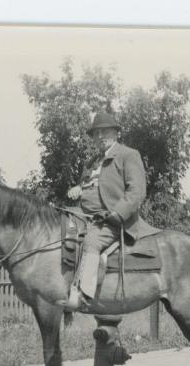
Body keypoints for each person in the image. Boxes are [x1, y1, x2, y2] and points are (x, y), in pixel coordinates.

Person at [59, 112, 157, 310]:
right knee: (60, 233)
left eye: (105, 132)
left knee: (92, 241)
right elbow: (88, 185)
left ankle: (82, 295)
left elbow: (137, 191)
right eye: (96, 133)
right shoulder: (91, 162)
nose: (100, 136)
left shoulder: (128, 155)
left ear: (116, 133)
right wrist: (78, 188)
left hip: (112, 219)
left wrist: (117, 214)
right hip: (84, 216)